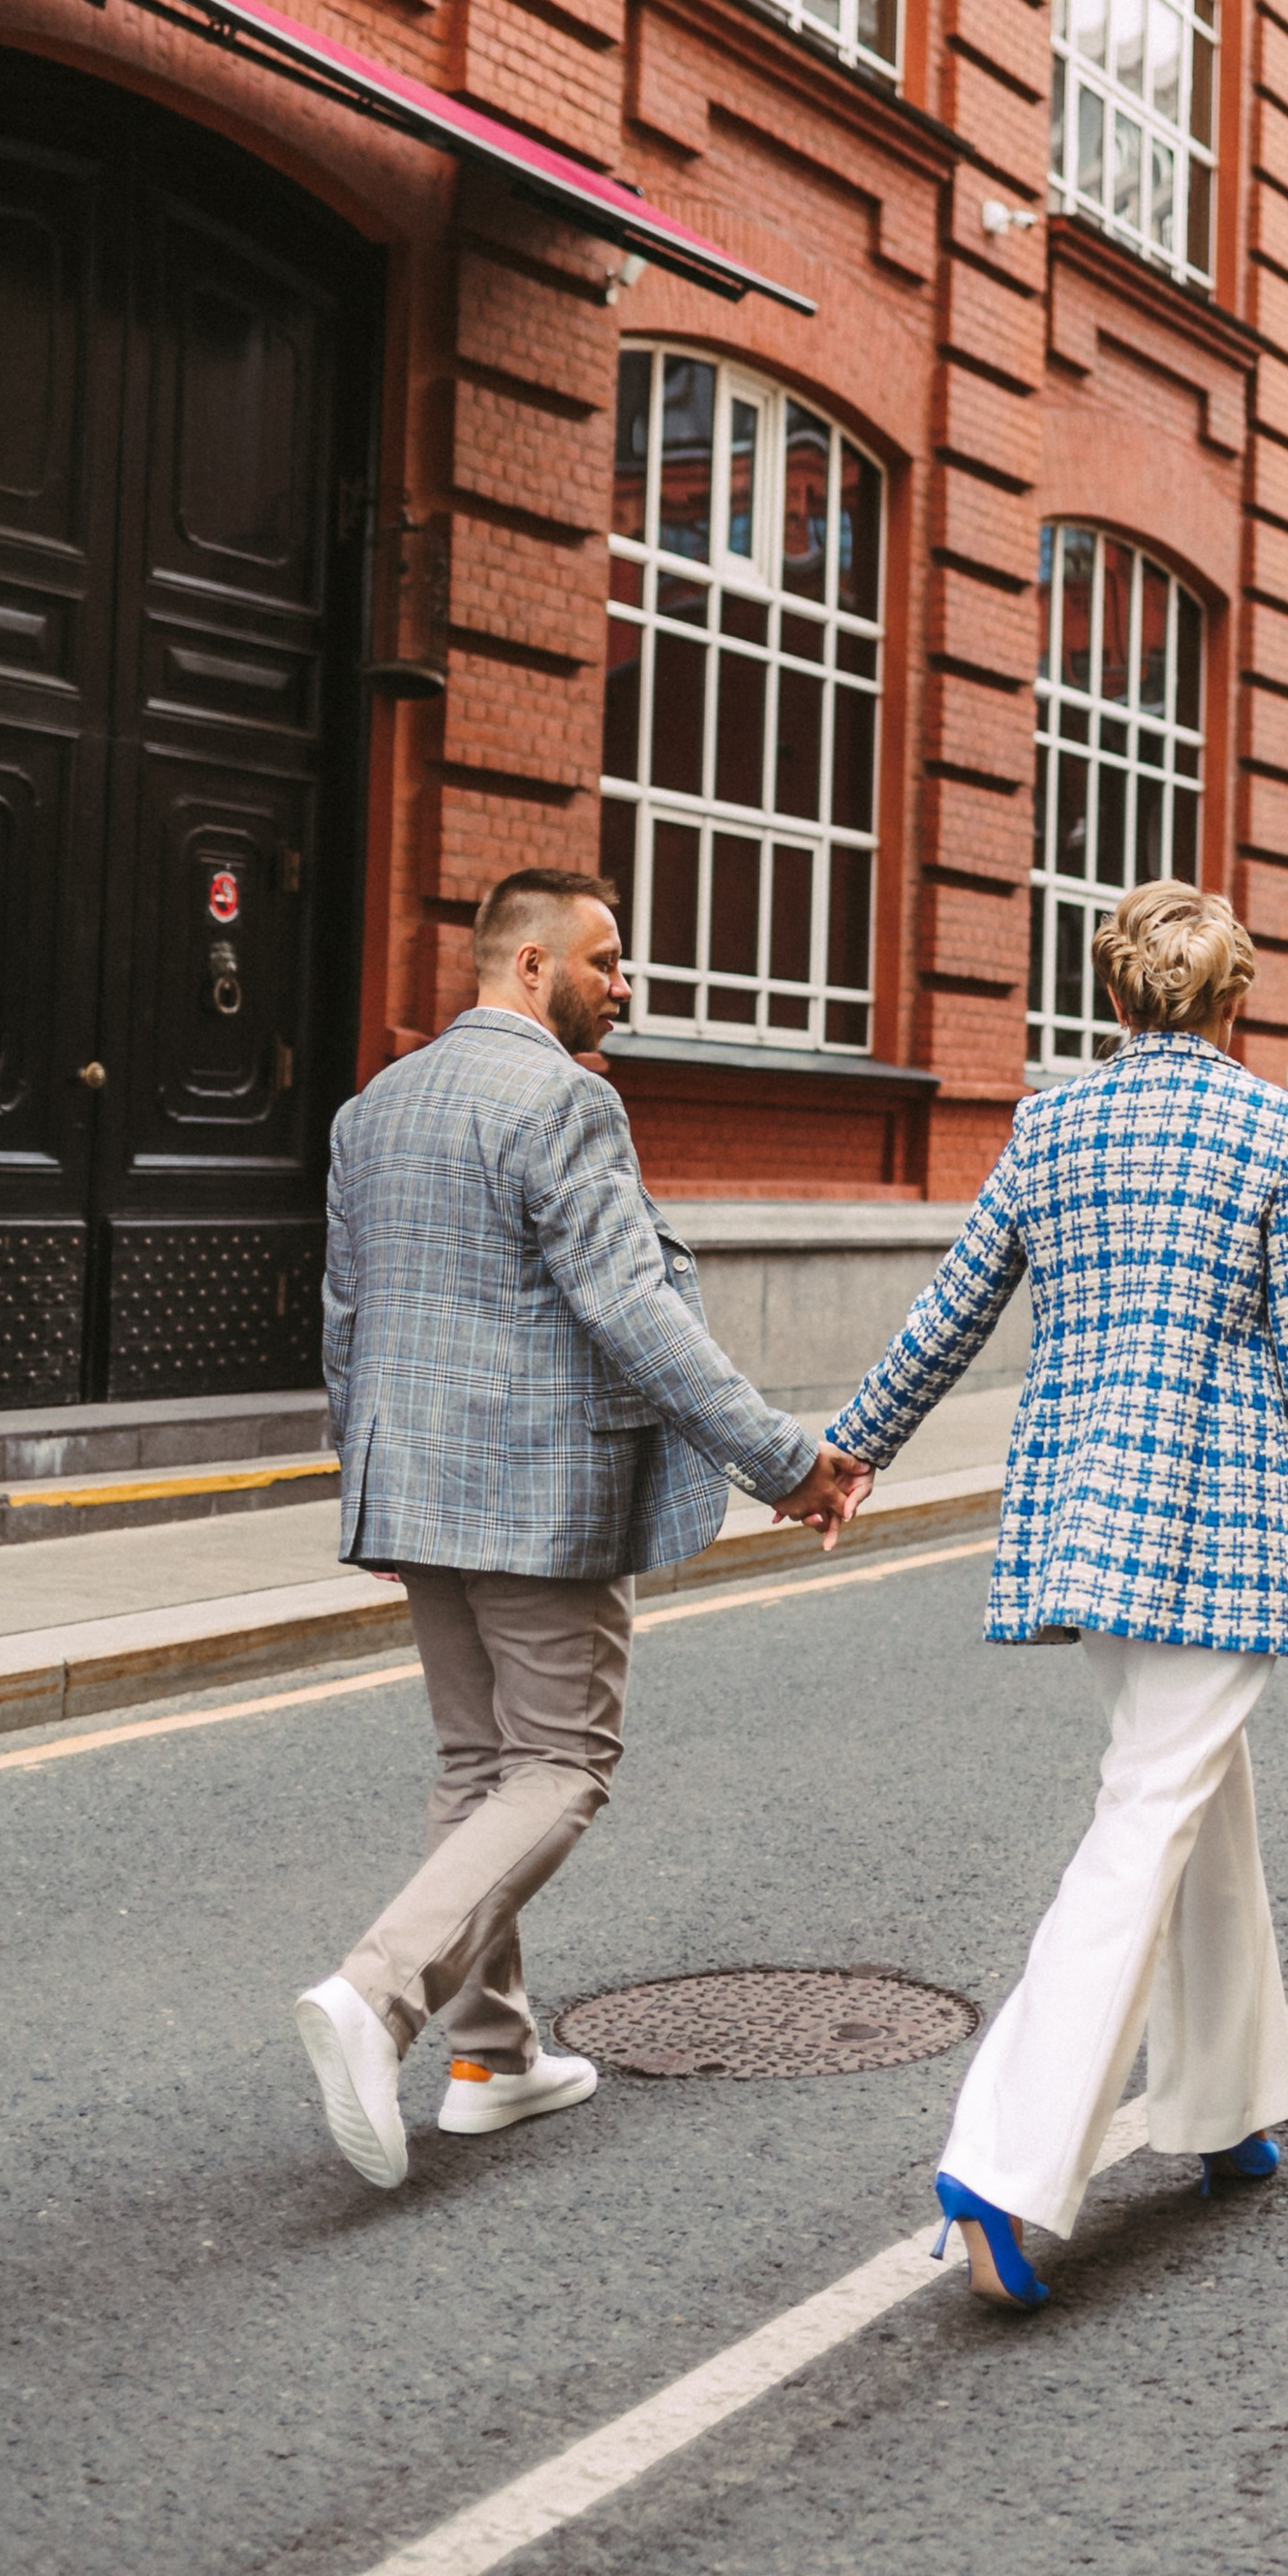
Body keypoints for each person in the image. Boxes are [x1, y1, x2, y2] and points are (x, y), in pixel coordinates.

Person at [828, 880, 1288, 2309]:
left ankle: (1224, 2105)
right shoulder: (1276, 1128)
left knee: (1194, 1797)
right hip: (1222, 1529)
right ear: (1233, 1001)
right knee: (1146, 1819)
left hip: (1088, 1520)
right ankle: (1001, 2165)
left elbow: (954, 1308)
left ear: (1114, 1001)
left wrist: (852, 1448)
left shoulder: (1050, 1123)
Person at [294, 867, 869, 2191]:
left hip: (415, 1481)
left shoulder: (373, 1108)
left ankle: (491, 2058)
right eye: (608, 960)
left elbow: (346, 1315)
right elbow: (635, 1311)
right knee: (561, 1765)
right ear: (531, 966)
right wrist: (787, 1460)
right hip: (538, 1486)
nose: (628, 984)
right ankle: (378, 1998)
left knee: (474, 1762)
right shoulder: (565, 1098)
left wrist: (364, 1479)